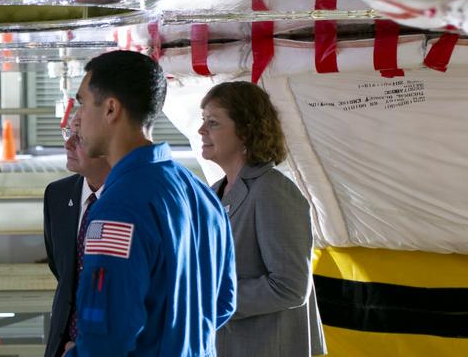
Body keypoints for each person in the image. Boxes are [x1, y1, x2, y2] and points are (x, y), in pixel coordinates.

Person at [65, 50, 236, 356]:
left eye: (82, 103)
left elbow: (107, 332)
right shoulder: (200, 193)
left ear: (111, 109)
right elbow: (223, 302)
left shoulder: (118, 208)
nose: (76, 119)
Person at [200, 81, 325, 356]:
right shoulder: (213, 193)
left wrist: (211, 299)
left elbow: (290, 287)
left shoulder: (273, 191)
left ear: (245, 131)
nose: (201, 130)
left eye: (213, 122)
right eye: (203, 121)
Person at [42, 125, 112, 357]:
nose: (67, 144)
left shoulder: (128, 199)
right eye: (67, 133)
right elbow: (62, 269)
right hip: (63, 344)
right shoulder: (57, 194)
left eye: (79, 137)